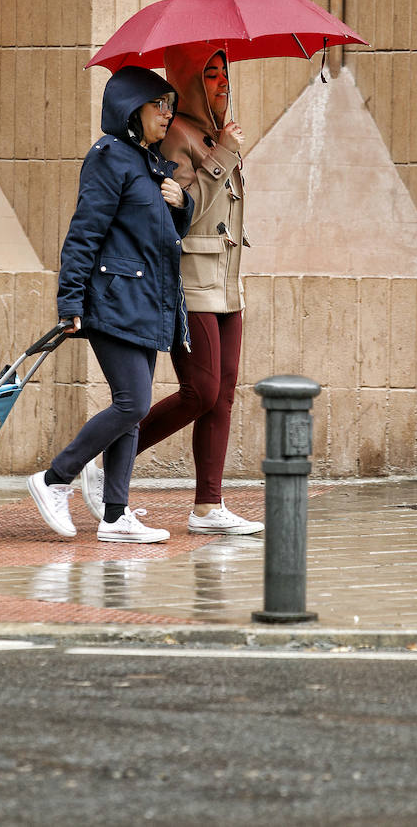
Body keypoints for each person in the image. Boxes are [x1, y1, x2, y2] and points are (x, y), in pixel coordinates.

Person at [81, 47, 263, 537]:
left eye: (225, 73)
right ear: (188, 79)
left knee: (222, 396)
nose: (222, 82)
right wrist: (223, 153)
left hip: (227, 281)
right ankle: (104, 463)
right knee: (198, 392)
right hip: (190, 279)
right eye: (210, 74)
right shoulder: (176, 134)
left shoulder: (216, 133)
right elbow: (179, 216)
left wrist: (224, 146)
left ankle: (208, 506)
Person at [27, 66, 193, 543]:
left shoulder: (150, 164)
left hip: (146, 302)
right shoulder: (109, 157)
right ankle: (54, 479)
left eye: (170, 105)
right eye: (158, 105)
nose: (168, 113)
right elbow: (85, 233)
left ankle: (115, 516)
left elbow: (161, 240)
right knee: (132, 402)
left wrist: (180, 205)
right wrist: (70, 300)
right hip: (113, 300)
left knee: (133, 411)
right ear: (130, 110)